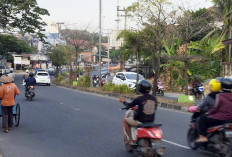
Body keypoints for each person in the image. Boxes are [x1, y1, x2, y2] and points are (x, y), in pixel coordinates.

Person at [119, 80, 157, 145]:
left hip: (140, 122)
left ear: (140, 89)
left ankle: (130, 140)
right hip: (151, 121)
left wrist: (123, 101)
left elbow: (129, 106)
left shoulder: (139, 99)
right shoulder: (154, 98)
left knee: (125, 121)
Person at [196, 78, 232, 142]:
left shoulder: (219, 95)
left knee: (202, 118)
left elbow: (215, 107)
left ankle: (203, 137)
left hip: (221, 118)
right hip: (230, 119)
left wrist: (208, 113)